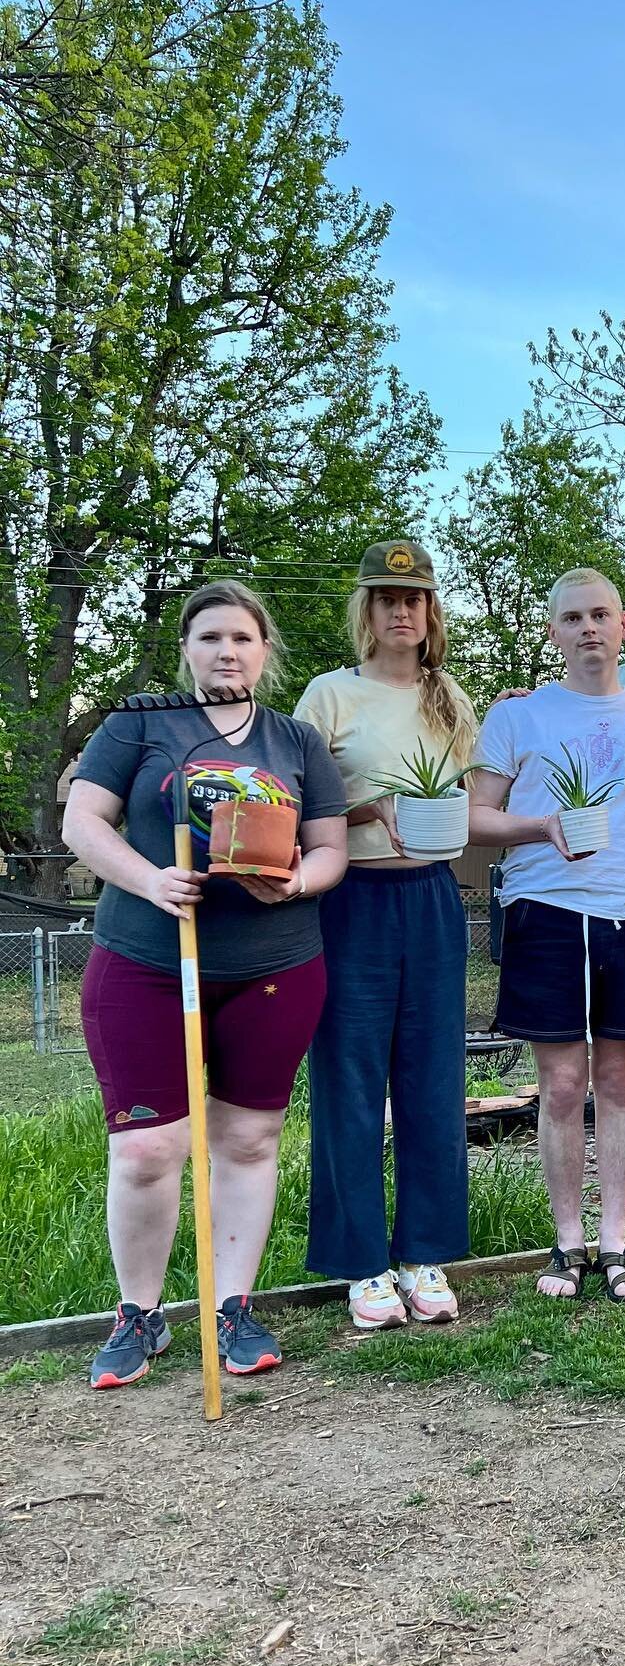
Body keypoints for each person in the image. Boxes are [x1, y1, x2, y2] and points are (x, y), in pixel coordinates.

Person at [63, 582, 349, 1388]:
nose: (228, 650)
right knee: (149, 1145)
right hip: (148, 961)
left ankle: (233, 1306)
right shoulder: (138, 725)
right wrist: (149, 880)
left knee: (249, 1140)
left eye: (243, 638)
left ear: (265, 651)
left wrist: (296, 883)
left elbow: (331, 849)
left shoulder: (296, 741)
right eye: (211, 636)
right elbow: (82, 822)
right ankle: (139, 1315)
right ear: (187, 648)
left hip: (274, 967)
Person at [469, 569, 625, 1302]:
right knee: (562, 1085)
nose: (589, 628)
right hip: (546, 910)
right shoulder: (518, 717)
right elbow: (477, 819)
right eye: (573, 618)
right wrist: (542, 827)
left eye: (601, 615)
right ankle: (567, 1245)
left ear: (624, 624)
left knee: (621, 1080)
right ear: (553, 633)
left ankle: (617, 1243)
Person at [295, 541, 477, 1330]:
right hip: (351, 900)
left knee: (435, 1078)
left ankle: (425, 1252)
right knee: (352, 1078)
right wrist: (372, 811)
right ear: (365, 610)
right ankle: (362, 1263)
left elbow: (466, 801)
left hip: (431, 897)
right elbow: (294, 804)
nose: (401, 610)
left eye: (415, 598)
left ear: (431, 611)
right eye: (386, 597)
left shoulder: (451, 700)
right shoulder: (329, 696)